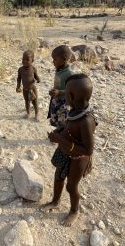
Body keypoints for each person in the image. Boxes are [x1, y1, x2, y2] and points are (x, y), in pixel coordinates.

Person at [42, 74, 97, 227]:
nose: (64, 95)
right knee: (58, 177)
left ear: (71, 96)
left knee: (71, 186)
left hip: (78, 158)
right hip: (65, 150)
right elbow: (69, 125)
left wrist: (60, 140)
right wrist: (60, 130)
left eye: (66, 92)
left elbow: (88, 150)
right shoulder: (74, 110)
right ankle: (55, 201)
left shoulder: (86, 121)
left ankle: (74, 211)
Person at [48, 45, 74, 131]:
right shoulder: (59, 70)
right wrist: (54, 91)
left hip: (64, 101)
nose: (53, 62)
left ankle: (61, 135)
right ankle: (57, 131)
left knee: (62, 119)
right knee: (55, 116)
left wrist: (59, 92)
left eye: (55, 59)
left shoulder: (69, 74)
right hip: (56, 98)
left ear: (64, 59)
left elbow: (72, 91)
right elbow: (58, 84)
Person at [16, 50, 40, 121]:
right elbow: (19, 78)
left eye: (27, 59)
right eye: (23, 59)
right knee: (27, 101)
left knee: (35, 102)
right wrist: (18, 86)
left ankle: (37, 114)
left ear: (32, 60)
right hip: (25, 89)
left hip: (32, 89)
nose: (25, 61)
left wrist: (38, 79)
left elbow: (36, 76)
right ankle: (28, 113)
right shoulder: (20, 69)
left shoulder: (33, 69)